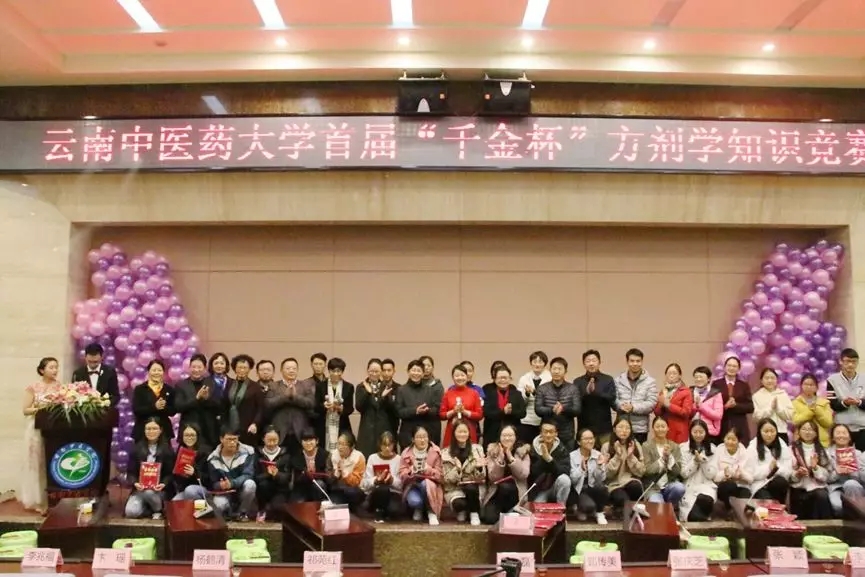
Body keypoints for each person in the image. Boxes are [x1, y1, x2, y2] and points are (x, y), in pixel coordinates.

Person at [21, 357, 59, 511]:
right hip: (36, 429)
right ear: (42, 370)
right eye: (51, 367)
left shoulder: (60, 387)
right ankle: (38, 499)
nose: (55, 370)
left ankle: (53, 497)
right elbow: (25, 410)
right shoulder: (33, 387)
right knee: (37, 462)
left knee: (51, 462)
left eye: (56, 367)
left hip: (54, 429)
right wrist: (41, 409)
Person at [264, 357, 316, 455]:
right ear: (281, 370)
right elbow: (268, 404)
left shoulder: (305, 385)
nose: (291, 371)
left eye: (294, 368)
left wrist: (295, 397)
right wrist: (284, 397)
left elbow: (311, 403)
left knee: (299, 459)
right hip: (279, 429)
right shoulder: (273, 385)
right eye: (288, 368)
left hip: (300, 429)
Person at [125, 418, 175, 519]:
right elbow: (130, 473)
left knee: (149, 493)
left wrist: (163, 484)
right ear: (144, 430)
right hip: (140, 490)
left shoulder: (167, 450)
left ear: (160, 430)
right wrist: (135, 483)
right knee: (131, 512)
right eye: (148, 429)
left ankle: (158, 510)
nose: (151, 431)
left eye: (154, 428)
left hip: (159, 491)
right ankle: (150, 510)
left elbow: (170, 474)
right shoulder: (136, 449)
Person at [206, 427, 257, 521]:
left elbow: (248, 474)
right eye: (229, 439)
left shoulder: (248, 452)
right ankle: (228, 515)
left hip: (241, 488)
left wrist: (232, 483)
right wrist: (220, 485)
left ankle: (242, 514)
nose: (232, 442)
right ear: (221, 439)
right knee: (218, 505)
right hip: (225, 492)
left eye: (235, 439)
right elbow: (213, 482)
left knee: (250, 484)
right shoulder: (213, 458)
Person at [482, 425, 530, 523]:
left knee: (506, 487)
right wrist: (500, 460)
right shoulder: (493, 451)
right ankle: (506, 514)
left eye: (510, 435)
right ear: (499, 437)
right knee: (489, 519)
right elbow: (493, 478)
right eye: (504, 435)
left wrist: (511, 457)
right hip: (497, 493)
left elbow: (523, 475)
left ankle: (511, 513)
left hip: (516, 493)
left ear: (516, 437)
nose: (507, 438)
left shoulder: (522, 452)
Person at [174, 353, 222, 449]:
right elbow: (178, 407)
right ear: (189, 368)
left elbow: (219, 406)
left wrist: (207, 399)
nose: (196, 370)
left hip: (208, 431)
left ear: (204, 368)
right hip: (189, 431)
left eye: (199, 367)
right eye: (194, 367)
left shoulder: (212, 383)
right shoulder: (181, 385)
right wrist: (196, 398)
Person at [442, 421, 487, 525]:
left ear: (469, 433)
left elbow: (482, 477)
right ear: (454, 433)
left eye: (465, 432)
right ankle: (464, 509)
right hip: (455, 488)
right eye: (459, 432)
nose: (462, 434)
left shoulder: (477, 449)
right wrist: (457, 469)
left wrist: (479, 468)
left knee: (471, 488)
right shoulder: (445, 453)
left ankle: (474, 513)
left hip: (474, 488)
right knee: (459, 504)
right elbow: (446, 479)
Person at [399, 426, 444, 526]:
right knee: (414, 501)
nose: (422, 440)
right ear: (413, 439)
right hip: (413, 485)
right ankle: (419, 508)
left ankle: (431, 512)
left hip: (431, 486)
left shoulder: (435, 452)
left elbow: (440, 475)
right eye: (419, 437)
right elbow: (401, 474)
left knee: (425, 484)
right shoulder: (406, 453)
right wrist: (411, 471)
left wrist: (428, 469)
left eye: (425, 437)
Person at [573, 350, 617, 449]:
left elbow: (612, 399)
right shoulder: (578, 381)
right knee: (585, 455)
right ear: (584, 364)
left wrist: (596, 392)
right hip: (584, 428)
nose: (591, 363)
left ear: (599, 362)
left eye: (594, 360)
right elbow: (575, 402)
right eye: (588, 361)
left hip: (604, 429)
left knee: (606, 455)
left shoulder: (608, 379)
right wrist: (587, 393)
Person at [535, 357, 581, 451]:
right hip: (547, 432)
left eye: (559, 369)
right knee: (547, 457)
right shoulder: (542, 388)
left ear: (565, 371)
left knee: (567, 458)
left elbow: (577, 410)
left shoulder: (573, 388)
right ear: (550, 370)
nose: (556, 371)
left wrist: (563, 409)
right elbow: (538, 409)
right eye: (554, 369)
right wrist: (552, 409)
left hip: (567, 433)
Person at [788, 420, 832, 519]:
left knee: (821, 495)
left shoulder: (822, 450)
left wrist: (815, 468)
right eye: (804, 429)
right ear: (799, 432)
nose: (807, 432)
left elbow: (827, 476)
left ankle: (826, 525)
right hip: (798, 487)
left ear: (816, 433)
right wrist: (797, 474)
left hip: (816, 487)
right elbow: (788, 474)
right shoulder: (791, 449)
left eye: (811, 430)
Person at [602, 417, 645, 517]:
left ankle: (625, 511)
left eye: (627, 428)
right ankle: (627, 512)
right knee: (622, 498)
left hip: (630, 482)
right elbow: (606, 474)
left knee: (636, 486)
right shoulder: (606, 446)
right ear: (614, 429)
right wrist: (617, 456)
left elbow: (641, 472)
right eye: (620, 427)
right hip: (614, 485)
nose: (624, 431)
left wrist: (631, 456)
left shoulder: (635, 445)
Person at [356, 358, 399, 457]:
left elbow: (392, 408)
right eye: (371, 371)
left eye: (377, 371)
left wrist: (384, 397)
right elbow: (359, 407)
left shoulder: (386, 387)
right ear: (367, 371)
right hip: (366, 430)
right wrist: (367, 393)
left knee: (384, 459)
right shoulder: (361, 387)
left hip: (383, 429)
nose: (374, 374)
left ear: (381, 372)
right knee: (366, 458)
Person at [396, 359, 444, 448]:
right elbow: (399, 412)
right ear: (408, 372)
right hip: (407, 434)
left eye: (419, 371)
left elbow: (437, 409)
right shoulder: (401, 390)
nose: (416, 373)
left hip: (427, 433)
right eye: (413, 370)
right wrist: (415, 411)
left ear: (423, 373)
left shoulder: (430, 390)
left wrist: (427, 410)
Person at [614, 348, 657, 444]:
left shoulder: (650, 382)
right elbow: (614, 399)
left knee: (639, 452)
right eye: (632, 361)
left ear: (642, 362)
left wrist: (633, 408)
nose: (635, 363)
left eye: (638, 361)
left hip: (640, 428)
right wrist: (621, 406)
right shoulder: (618, 380)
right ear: (627, 362)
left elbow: (651, 403)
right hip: (621, 426)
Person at [643, 415, 686, 508]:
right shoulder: (646, 446)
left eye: (663, 426)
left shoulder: (674, 446)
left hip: (669, 484)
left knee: (680, 488)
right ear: (653, 429)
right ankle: (664, 509)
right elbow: (647, 470)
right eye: (657, 426)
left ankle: (670, 507)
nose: (660, 429)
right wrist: (662, 459)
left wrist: (670, 457)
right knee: (658, 506)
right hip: (653, 487)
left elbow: (677, 471)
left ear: (668, 428)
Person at [747, 418, 793, 503]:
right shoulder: (752, 446)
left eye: (772, 431)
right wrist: (769, 468)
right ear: (760, 432)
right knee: (767, 500)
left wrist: (776, 468)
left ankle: (780, 508)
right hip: (759, 485)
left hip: (775, 483)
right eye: (766, 431)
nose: (769, 434)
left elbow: (788, 470)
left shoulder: (782, 444)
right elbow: (750, 473)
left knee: (781, 482)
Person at [679, 420, 717, 522]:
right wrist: (695, 462)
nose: (698, 435)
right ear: (690, 432)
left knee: (706, 498)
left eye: (701, 432)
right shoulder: (683, 448)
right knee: (692, 515)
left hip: (706, 484)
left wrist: (704, 462)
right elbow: (683, 474)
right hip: (690, 484)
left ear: (706, 432)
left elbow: (711, 475)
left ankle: (701, 516)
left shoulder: (713, 449)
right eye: (695, 432)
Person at [569, 428, 609, 524]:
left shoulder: (598, 455)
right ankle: (581, 509)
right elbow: (572, 480)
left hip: (592, 488)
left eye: (591, 438)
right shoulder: (572, 456)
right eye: (586, 439)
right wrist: (581, 469)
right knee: (588, 506)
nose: (590, 441)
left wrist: (599, 466)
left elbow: (601, 479)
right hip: (579, 490)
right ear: (579, 442)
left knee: (602, 488)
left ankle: (599, 512)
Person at [828, 348, 865, 451]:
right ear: (841, 361)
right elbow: (832, 404)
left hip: (862, 426)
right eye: (847, 361)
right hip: (842, 427)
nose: (850, 365)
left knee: (863, 457)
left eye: (854, 362)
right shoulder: (832, 380)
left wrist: (859, 402)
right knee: (844, 456)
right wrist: (844, 403)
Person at [222, 354, 263, 447]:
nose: (242, 370)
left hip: (248, 428)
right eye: (239, 367)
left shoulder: (255, 386)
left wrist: (255, 423)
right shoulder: (229, 384)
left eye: (245, 368)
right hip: (230, 427)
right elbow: (224, 405)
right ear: (235, 369)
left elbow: (260, 409)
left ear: (249, 369)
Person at [316, 357, 355, 453]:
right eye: (333, 371)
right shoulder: (320, 385)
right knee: (323, 451)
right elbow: (315, 406)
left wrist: (341, 408)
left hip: (342, 425)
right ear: (329, 371)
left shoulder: (348, 387)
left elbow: (350, 409)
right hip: (324, 425)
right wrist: (324, 406)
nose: (336, 374)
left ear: (342, 371)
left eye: (339, 371)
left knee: (343, 450)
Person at [361, 432, 402, 522]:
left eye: (389, 445)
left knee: (394, 511)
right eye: (384, 445)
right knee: (382, 489)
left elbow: (401, 485)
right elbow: (365, 484)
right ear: (380, 445)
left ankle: (385, 512)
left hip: (392, 493)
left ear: (393, 445)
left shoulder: (398, 459)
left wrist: (391, 480)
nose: (387, 448)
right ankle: (378, 511)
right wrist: (376, 480)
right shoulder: (372, 458)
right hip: (376, 492)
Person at [482, 364, 527, 447]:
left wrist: (511, 412)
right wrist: (503, 412)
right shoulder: (488, 394)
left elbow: (523, 413)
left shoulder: (517, 394)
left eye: (505, 378)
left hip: (512, 433)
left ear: (510, 379)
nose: (503, 380)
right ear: (495, 379)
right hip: (492, 433)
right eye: (500, 378)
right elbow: (486, 412)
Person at [826, 423, 865, 517]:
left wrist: (853, 470)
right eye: (838, 433)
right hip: (836, 488)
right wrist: (837, 473)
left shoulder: (858, 454)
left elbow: (863, 478)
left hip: (855, 488)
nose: (841, 435)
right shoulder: (826, 454)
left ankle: (857, 518)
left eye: (844, 433)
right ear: (833, 437)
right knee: (838, 506)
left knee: (850, 484)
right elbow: (825, 478)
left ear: (849, 437)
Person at [440, 364, 483, 447]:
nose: (460, 378)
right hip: (452, 430)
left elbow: (479, 415)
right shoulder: (448, 393)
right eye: (457, 376)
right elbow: (442, 415)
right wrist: (454, 411)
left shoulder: (474, 393)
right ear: (453, 377)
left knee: (470, 453)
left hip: (469, 431)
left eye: (462, 375)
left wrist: (464, 412)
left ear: (467, 376)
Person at [132, 360, 175, 442]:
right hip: (143, 430)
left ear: (163, 372)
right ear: (148, 372)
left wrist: (164, 407)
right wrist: (154, 407)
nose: (156, 373)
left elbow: (173, 411)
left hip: (164, 431)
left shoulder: (169, 389)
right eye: (154, 370)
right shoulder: (140, 389)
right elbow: (136, 410)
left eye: (159, 370)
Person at [714, 356, 754, 445]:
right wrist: (725, 406)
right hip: (722, 424)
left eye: (734, 366)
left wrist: (736, 405)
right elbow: (712, 405)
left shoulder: (744, 385)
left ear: (738, 369)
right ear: (724, 367)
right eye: (729, 365)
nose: (731, 368)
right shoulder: (716, 384)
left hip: (739, 424)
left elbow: (750, 407)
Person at [529, 422, 571, 505]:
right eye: (545, 432)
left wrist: (549, 459)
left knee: (565, 479)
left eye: (551, 432)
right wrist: (543, 458)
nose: (548, 435)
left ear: (556, 434)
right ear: (541, 434)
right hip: (539, 488)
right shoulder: (533, 449)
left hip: (556, 485)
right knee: (538, 507)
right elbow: (533, 473)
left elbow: (565, 471)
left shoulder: (561, 449)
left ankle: (561, 507)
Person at [254, 426, 291, 521]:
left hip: (280, 489)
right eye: (269, 440)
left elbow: (288, 477)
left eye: (275, 440)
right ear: (263, 439)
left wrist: (277, 474)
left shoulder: (285, 454)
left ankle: (271, 508)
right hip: (263, 490)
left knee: (276, 510)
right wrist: (268, 473)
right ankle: (262, 509)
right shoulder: (257, 454)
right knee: (263, 484)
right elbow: (255, 477)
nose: (272, 443)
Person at [516, 351, 550, 445]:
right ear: (531, 363)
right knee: (525, 446)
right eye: (534, 361)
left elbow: (549, 400)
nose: (537, 364)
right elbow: (520, 401)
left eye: (540, 362)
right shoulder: (524, 378)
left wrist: (535, 393)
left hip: (544, 419)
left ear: (545, 364)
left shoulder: (550, 378)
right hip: (527, 419)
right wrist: (527, 394)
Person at [712, 428, 752, 510]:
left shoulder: (745, 453)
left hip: (740, 485)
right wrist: (724, 474)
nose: (730, 442)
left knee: (746, 494)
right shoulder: (718, 450)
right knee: (729, 486)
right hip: (723, 485)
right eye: (728, 438)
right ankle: (729, 509)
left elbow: (750, 478)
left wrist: (742, 474)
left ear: (739, 441)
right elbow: (714, 476)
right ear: (724, 438)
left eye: (733, 440)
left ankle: (740, 512)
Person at [654, 363, 694, 444]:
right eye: (669, 373)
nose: (671, 376)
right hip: (664, 430)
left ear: (680, 376)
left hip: (679, 431)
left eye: (674, 373)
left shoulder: (686, 391)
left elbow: (686, 412)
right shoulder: (663, 391)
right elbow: (657, 413)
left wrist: (669, 405)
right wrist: (660, 405)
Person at [753, 368, 794, 444]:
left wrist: (778, 408)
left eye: (772, 378)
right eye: (766, 378)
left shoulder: (782, 394)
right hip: (764, 433)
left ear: (776, 380)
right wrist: (770, 409)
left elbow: (790, 415)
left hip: (781, 432)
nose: (769, 380)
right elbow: (756, 417)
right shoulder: (757, 396)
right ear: (761, 380)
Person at [288, 429, 331, 503]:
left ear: (317, 441)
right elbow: (296, 479)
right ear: (301, 442)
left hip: (318, 485)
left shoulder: (325, 455)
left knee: (320, 484)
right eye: (305, 440)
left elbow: (327, 476)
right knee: (297, 502)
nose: (308, 443)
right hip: (302, 487)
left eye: (311, 440)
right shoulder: (296, 457)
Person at [792, 373, 833, 447]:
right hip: (801, 443)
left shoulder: (824, 403)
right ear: (801, 386)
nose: (808, 387)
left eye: (811, 385)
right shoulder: (795, 403)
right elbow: (795, 421)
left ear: (816, 387)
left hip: (821, 442)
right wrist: (810, 411)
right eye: (805, 384)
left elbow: (828, 423)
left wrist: (817, 410)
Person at [171, 424, 209, 502]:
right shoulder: (180, 451)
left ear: (197, 436)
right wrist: (180, 475)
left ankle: (202, 508)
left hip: (203, 488)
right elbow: (176, 480)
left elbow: (209, 478)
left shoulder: (206, 452)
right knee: (174, 501)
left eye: (192, 435)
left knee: (190, 490)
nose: (189, 438)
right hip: (185, 489)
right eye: (186, 435)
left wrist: (195, 473)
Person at [330, 432, 366, 512]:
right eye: (339, 443)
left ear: (352, 446)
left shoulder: (359, 457)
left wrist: (344, 473)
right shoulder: (333, 455)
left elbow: (356, 482)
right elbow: (329, 479)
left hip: (354, 490)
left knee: (351, 492)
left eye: (344, 444)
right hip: (338, 489)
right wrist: (336, 474)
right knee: (334, 504)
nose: (340, 447)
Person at [691, 366, 724, 446]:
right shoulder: (690, 391)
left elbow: (718, 415)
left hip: (709, 433)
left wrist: (701, 407)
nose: (698, 379)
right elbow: (686, 413)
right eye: (696, 377)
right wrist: (695, 407)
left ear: (709, 379)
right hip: (692, 432)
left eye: (701, 377)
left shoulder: (715, 393)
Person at [380, 359, 402, 435]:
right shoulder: (377, 387)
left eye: (389, 370)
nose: (386, 373)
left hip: (393, 426)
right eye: (384, 370)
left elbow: (398, 409)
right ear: (381, 371)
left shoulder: (399, 388)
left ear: (394, 371)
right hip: (378, 426)